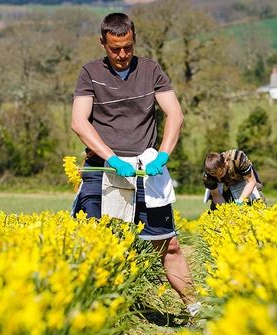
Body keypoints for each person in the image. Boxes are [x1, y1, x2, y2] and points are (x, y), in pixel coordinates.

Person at [70, 13, 200, 317]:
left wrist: (163, 154)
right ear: (103, 43)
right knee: (99, 244)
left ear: (134, 41)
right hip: (102, 171)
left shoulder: (151, 70)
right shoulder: (89, 73)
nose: (122, 55)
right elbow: (79, 122)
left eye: (127, 47)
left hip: (146, 169)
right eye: (115, 49)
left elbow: (175, 114)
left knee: (168, 246)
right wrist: (111, 157)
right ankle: (98, 311)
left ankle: (196, 308)